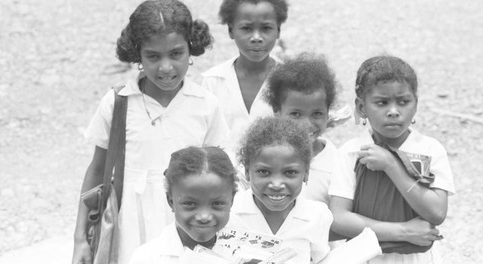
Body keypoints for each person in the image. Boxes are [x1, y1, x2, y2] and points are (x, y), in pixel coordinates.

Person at [72, 0, 228, 264]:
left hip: (186, 221)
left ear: (191, 49)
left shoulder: (205, 104)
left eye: (176, 54)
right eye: (153, 56)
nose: (166, 67)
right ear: (138, 56)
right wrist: (79, 241)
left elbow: (219, 172)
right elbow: (97, 171)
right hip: (127, 224)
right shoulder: (118, 102)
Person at [329, 55, 455, 263]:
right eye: (382, 102)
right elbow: (339, 218)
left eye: (404, 102)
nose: (394, 112)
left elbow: (437, 212)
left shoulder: (430, 149)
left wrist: (391, 165)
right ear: (361, 107)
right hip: (365, 257)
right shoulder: (351, 153)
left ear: (415, 105)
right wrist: (403, 231)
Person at [226, 116, 333, 263]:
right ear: (247, 172)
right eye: (264, 172)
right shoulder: (230, 213)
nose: (276, 184)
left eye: (290, 172)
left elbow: (322, 259)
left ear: (306, 173)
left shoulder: (317, 216)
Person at [201, 0, 289, 155]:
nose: (256, 37)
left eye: (266, 28)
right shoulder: (213, 82)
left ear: (278, 31)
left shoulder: (291, 80)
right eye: (247, 28)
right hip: (224, 178)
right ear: (231, 31)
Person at [129, 146, 237, 263]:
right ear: (171, 201)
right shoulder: (147, 258)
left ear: (232, 201)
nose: (204, 217)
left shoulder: (248, 254)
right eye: (190, 204)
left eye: (217, 203)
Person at [263, 52, 339, 207]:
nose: (306, 124)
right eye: (296, 114)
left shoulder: (338, 164)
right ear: (277, 112)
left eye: (317, 114)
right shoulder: (261, 155)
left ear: (327, 112)